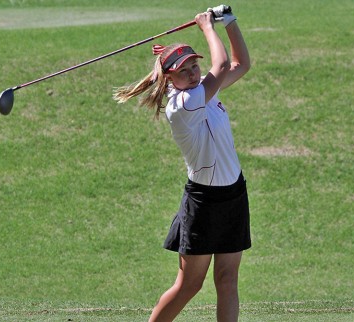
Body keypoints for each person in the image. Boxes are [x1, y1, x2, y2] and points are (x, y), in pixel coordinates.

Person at [113, 5, 251, 321]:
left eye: (193, 66)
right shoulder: (184, 104)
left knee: (228, 280)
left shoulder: (205, 91)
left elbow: (241, 63)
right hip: (203, 202)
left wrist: (229, 22)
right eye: (183, 70)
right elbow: (221, 64)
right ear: (170, 78)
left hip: (233, 195)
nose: (192, 73)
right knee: (190, 285)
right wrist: (206, 26)